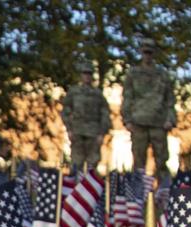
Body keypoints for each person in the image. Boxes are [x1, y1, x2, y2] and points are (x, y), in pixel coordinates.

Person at [121, 38, 177, 177]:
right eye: (145, 52)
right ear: (141, 52)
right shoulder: (133, 73)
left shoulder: (162, 74)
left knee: (162, 161)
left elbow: (169, 99)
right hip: (138, 122)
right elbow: (127, 97)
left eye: (150, 52)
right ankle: (137, 197)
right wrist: (127, 119)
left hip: (159, 123)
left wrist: (170, 119)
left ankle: (163, 194)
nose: (147, 55)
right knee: (139, 163)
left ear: (154, 53)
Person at [62, 60, 110, 172]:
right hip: (77, 132)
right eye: (85, 73)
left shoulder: (98, 94)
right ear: (81, 75)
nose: (87, 76)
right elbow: (66, 110)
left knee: (92, 165)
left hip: (93, 133)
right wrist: (69, 129)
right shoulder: (74, 92)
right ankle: (75, 187)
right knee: (76, 163)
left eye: (89, 74)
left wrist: (102, 133)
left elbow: (105, 114)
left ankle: (90, 188)